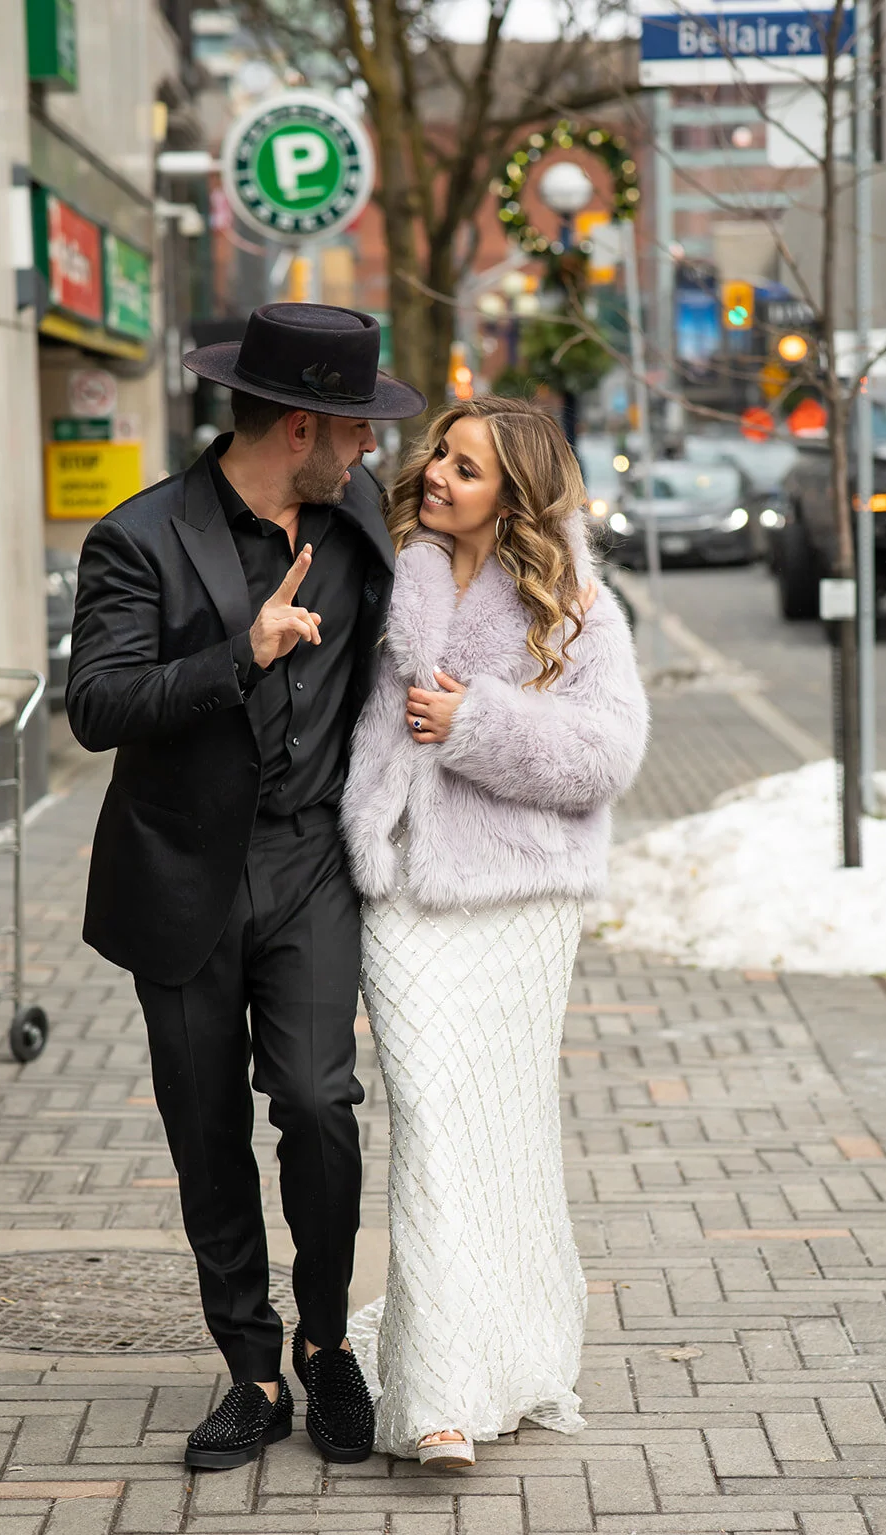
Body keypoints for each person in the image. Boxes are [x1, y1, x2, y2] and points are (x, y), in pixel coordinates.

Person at [65, 303, 426, 1471]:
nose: (371, 448)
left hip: (311, 858)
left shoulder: (359, 512)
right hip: (182, 874)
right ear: (298, 425)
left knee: (320, 1103)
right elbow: (97, 706)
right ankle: (251, 1369)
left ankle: (326, 1348)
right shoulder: (138, 538)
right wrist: (241, 656)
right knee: (205, 1127)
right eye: (356, 428)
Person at [341, 395, 649, 1466]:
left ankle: (487, 1353)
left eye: (465, 470)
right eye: (439, 457)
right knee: (428, 1118)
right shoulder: (396, 573)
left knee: (498, 1130)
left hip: (519, 905)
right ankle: (435, 1394)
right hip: (404, 896)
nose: (436, 476)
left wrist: (473, 721)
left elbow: (607, 756)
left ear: (511, 494)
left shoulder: (575, 607)